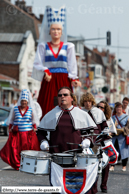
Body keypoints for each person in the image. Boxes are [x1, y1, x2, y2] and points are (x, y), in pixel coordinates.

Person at [37, 86, 98, 194]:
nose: (62, 97)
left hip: (76, 158)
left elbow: (94, 131)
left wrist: (88, 140)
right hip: (56, 159)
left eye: (65, 95)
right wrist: (43, 141)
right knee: (57, 189)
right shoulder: (51, 114)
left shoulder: (81, 114)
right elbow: (40, 131)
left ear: (72, 98)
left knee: (75, 187)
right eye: (60, 95)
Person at [32, 5, 81, 118]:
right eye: (53, 29)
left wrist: (74, 77)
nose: (56, 31)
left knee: (65, 104)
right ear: (49, 31)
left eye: (58, 29)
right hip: (49, 79)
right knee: (47, 105)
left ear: (62, 31)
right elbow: (37, 63)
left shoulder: (69, 46)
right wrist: (46, 70)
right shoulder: (43, 46)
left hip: (64, 79)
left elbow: (72, 64)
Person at [0, 89, 40, 170]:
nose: (24, 103)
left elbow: (33, 121)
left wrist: (35, 128)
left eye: (25, 101)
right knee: (16, 150)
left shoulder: (30, 110)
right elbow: (11, 120)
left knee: (28, 150)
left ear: (27, 102)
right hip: (17, 133)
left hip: (28, 134)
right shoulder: (15, 109)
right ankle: (18, 164)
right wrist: (10, 128)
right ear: (20, 101)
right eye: (22, 101)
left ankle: (27, 164)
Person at [80, 93, 109, 193]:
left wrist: (105, 132)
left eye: (89, 101)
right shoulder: (80, 112)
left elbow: (104, 126)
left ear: (92, 102)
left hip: (98, 141)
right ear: (83, 102)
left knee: (105, 163)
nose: (87, 103)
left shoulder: (98, 112)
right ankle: (90, 187)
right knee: (88, 166)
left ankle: (103, 185)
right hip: (84, 142)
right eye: (85, 101)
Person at [97, 101, 117, 193]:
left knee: (106, 166)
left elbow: (113, 131)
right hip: (95, 145)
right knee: (94, 165)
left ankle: (103, 185)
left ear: (105, 110)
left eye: (102, 107)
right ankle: (93, 186)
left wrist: (108, 133)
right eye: (98, 107)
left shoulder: (108, 119)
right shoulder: (92, 117)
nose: (99, 109)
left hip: (105, 144)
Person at [110, 102, 129, 172]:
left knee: (124, 151)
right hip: (115, 136)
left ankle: (124, 166)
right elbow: (110, 126)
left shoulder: (126, 117)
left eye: (120, 107)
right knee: (114, 151)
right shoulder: (113, 117)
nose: (119, 109)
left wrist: (124, 129)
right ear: (115, 109)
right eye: (117, 107)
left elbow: (128, 126)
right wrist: (114, 126)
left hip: (123, 136)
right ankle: (112, 165)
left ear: (122, 108)